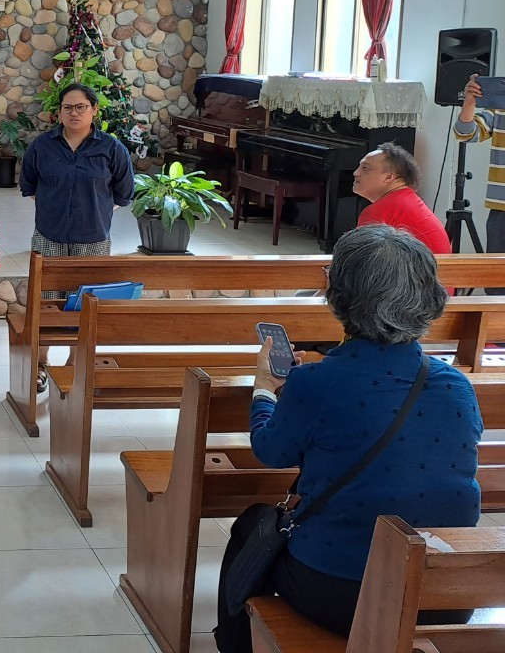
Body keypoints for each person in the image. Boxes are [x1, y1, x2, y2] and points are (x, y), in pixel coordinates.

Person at [214, 225, 483, 652]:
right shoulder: (456, 386)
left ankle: (235, 645)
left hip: (346, 595)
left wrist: (265, 388)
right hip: (446, 596)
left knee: (253, 526)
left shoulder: (315, 381)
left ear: (340, 296)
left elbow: (269, 449)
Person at [19, 82, 134, 391]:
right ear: (59, 113)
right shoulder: (42, 146)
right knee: (46, 304)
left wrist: (92, 211)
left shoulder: (111, 148)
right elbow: (29, 186)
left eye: (81, 107)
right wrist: (57, 210)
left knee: (85, 306)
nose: (74, 113)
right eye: (67, 107)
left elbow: (123, 194)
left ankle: (73, 366)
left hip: (93, 240)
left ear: (94, 110)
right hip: (49, 237)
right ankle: (41, 364)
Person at [352, 141, 451, 255]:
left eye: (365, 168)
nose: (356, 173)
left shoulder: (382, 210)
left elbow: (359, 259)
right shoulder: (405, 200)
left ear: (389, 177)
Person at [455, 73, 505, 291]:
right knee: (496, 284)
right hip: (502, 208)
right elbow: (466, 133)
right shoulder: (500, 103)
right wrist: (469, 103)